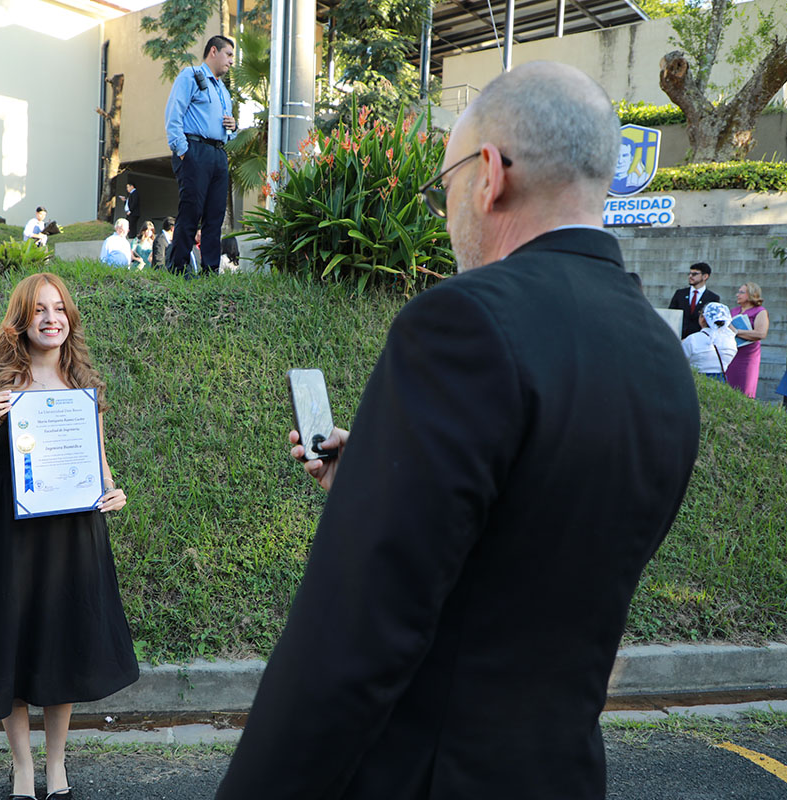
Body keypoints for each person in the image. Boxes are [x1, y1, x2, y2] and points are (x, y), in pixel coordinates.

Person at [214, 62, 700, 800]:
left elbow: (354, 635)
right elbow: (542, 541)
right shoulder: (660, 353)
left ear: (490, 175)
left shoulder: (463, 320)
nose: (445, 214)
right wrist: (378, 479)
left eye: (444, 184)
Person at [0, 272, 139, 800]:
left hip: (70, 539)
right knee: (8, 643)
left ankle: (56, 767)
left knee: (60, 644)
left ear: (70, 318)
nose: (51, 318)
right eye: (39, 310)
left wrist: (113, 492)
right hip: (4, 538)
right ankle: (23, 769)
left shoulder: (83, 386)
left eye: (59, 309)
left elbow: (98, 465)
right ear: (21, 321)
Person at [164, 35, 236, 279]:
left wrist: (233, 127)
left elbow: (227, 129)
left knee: (215, 215)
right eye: (228, 54)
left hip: (218, 153)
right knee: (191, 212)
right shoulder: (191, 75)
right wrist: (183, 150)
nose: (231, 61)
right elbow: (174, 113)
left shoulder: (223, 90)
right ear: (213, 51)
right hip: (194, 149)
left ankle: (210, 271)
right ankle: (178, 268)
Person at [725, 282, 769, 398]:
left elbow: (761, 333)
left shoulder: (760, 311)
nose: (737, 295)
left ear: (751, 294)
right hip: (732, 353)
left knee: (745, 389)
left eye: (741, 292)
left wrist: (736, 331)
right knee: (728, 388)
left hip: (748, 356)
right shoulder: (733, 311)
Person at [682, 302, 738, 381]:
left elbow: (679, 361)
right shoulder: (730, 340)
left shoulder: (693, 339)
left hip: (696, 380)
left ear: (703, 318)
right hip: (720, 382)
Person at [668, 262, 720, 339]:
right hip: (679, 337)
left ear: (705, 276)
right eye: (689, 273)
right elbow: (672, 314)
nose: (690, 276)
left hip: (700, 339)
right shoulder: (680, 294)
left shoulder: (712, 298)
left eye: (694, 274)